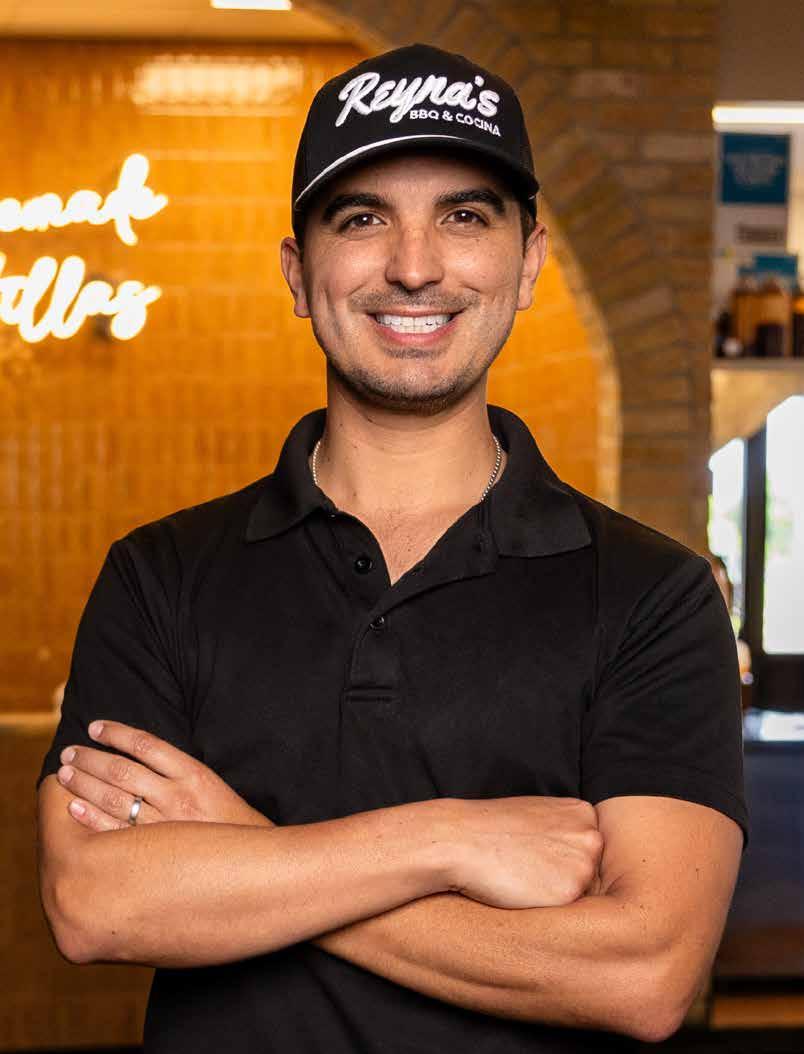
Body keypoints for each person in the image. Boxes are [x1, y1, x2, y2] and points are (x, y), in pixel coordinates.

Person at [36, 43, 747, 1053]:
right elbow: (94, 903)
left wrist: (242, 851)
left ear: (529, 263)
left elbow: (643, 974)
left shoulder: (653, 595)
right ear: (298, 271)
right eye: (363, 218)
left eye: (465, 216)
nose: (415, 265)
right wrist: (446, 839)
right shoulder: (160, 576)